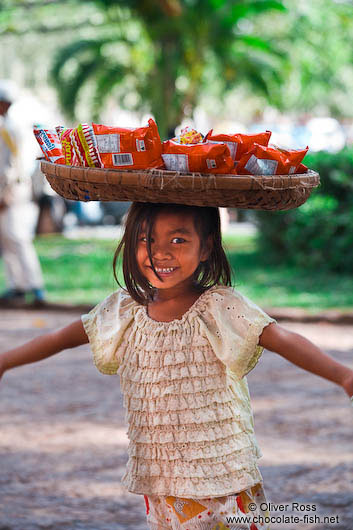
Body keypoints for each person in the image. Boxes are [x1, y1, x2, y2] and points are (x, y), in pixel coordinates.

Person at [0, 202, 352, 530]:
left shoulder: (218, 307)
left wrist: (343, 375)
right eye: (146, 239)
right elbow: (59, 338)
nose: (160, 252)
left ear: (206, 247)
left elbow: (283, 339)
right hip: (161, 478)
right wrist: (4, 362)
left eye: (178, 239)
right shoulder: (124, 310)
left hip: (220, 477)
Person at [0, 79, 45, 305]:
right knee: (6, 239)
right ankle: (17, 285)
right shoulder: (8, 127)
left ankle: (35, 287)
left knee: (17, 238)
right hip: (10, 190)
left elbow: (9, 167)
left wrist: (3, 195)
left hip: (12, 191)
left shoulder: (7, 129)